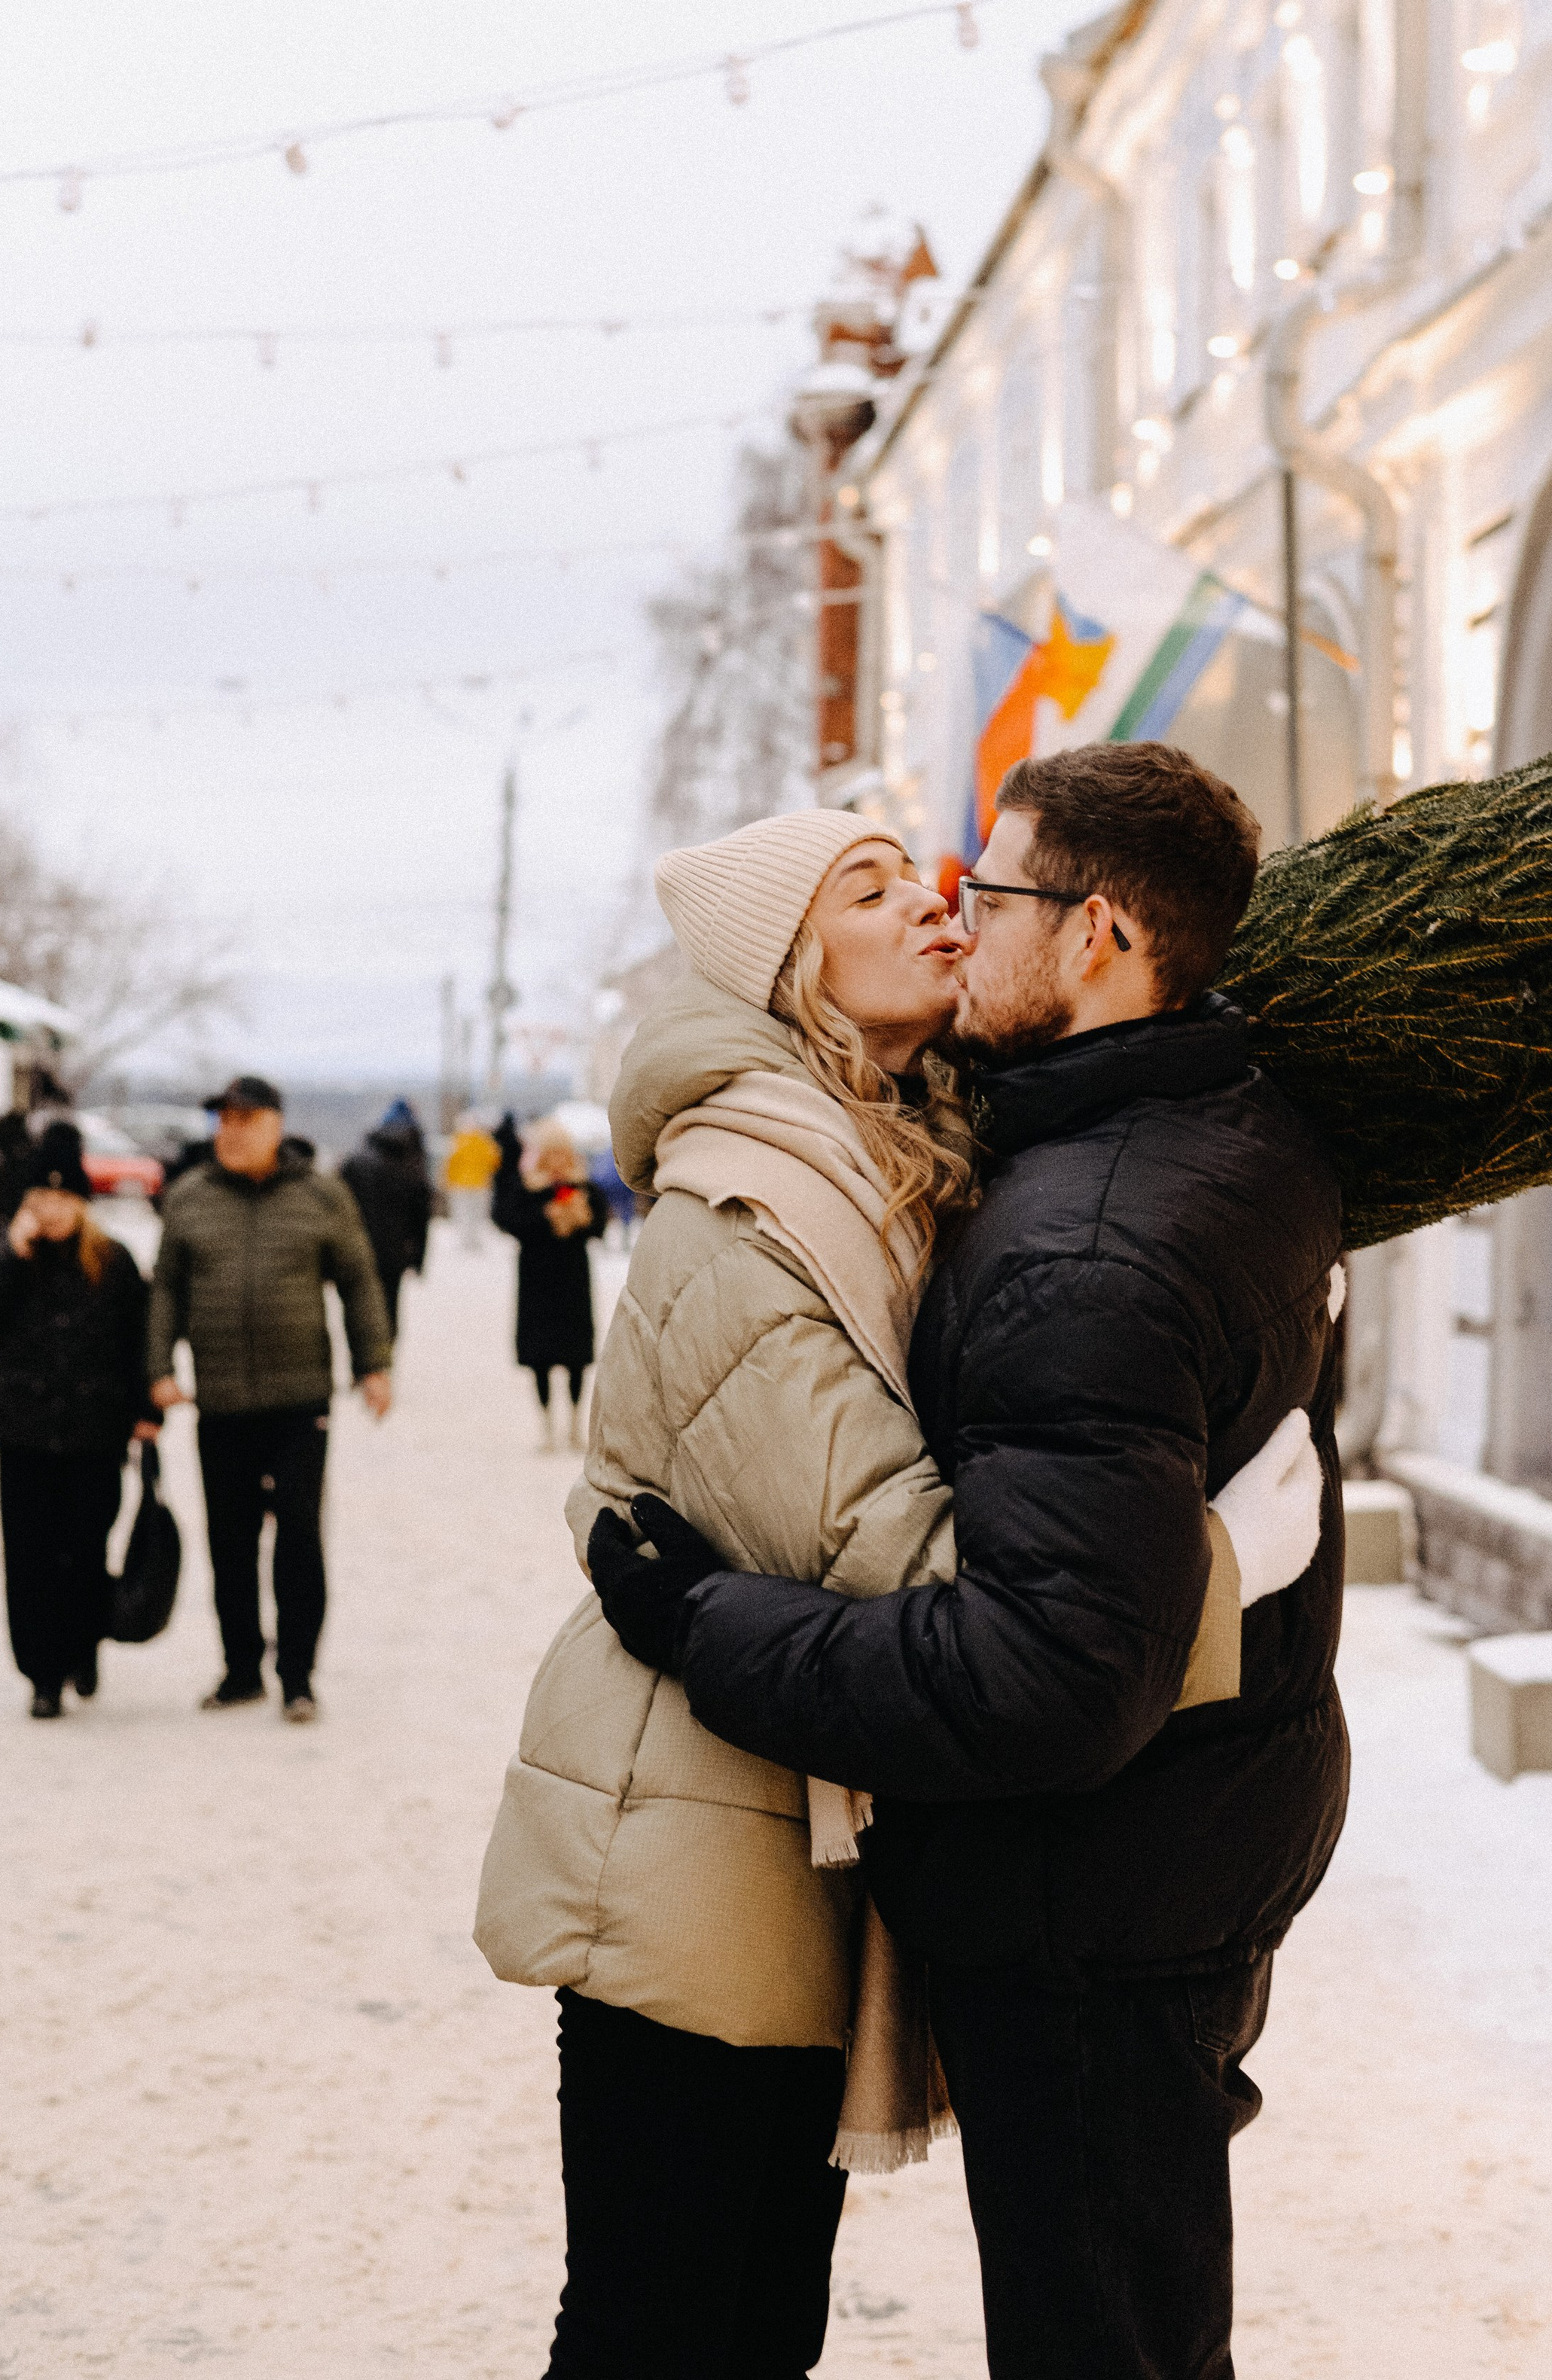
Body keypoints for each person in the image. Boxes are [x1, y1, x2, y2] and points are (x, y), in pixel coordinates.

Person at [474, 806, 1320, 2379]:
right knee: (666, 2330)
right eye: (868, 892)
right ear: (797, 973)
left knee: (750, 2325)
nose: (933, 904)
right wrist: (1208, 1565)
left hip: (789, 1805)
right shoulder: (751, 1210)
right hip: (686, 1845)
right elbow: (913, 1563)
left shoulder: (896, 1151)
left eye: (923, 875)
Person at [148, 1073, 392, 1722]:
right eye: (222, 1120)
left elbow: (359, 1280)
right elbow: (166, 1286)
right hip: (220, 1399)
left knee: (299, 1540)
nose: (229, 1131)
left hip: (299, 1399)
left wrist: (374, 1363)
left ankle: (298, 1674)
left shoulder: (321, 1195)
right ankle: (239, 1669)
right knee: (229, 1541)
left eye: (243, 1120)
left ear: (275, 1125)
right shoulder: (190, 1197)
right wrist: (157, 1363)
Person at [0, 1122, 159, 1718]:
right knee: (29, 1556)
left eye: (59, 1199)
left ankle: (84, 1645)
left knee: (85, 1549)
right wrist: (7, 1254)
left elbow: (137, 1340)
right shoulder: (13, 1257)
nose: (48, 1211)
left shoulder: (113, 1261)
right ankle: (43, 1673)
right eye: (37, 1200)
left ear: (80, 1201)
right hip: (23, 1431)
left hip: (95, 1431)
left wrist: (145, 1410)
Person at [489, 1117, 608, 1451]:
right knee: (540, 1357)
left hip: (572, 1282)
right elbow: (508, 1221)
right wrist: (548, 1216)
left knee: (575, 1357)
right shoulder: (527, 1189)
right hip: (537, 1283)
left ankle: (573, 1425)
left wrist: (579, 1216)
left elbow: (599, 1225)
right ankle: (546, 1427)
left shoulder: (585, 1188)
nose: (556, 1163)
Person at [340, 1099, 434, 1342]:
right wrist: (418, 1258)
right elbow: (421, 1217)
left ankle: (363, 1366)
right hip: (395, 1252)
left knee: (357, 1306)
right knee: (390, 1305)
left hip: (358, 1246)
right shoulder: (413, 1167)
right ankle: (383, 1364)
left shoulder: (356, 1162)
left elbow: (338, 1210)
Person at [442, 1112, 502, 1253]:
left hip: (460, 1184)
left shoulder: (457, 1141)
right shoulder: (484, 1141)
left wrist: (448, 1180)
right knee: (477, 1214)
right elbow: (495, 1161)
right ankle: (474, 1242)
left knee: (462, 1213)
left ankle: (464, 1241)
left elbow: (450, 1163)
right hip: (481, 1184)